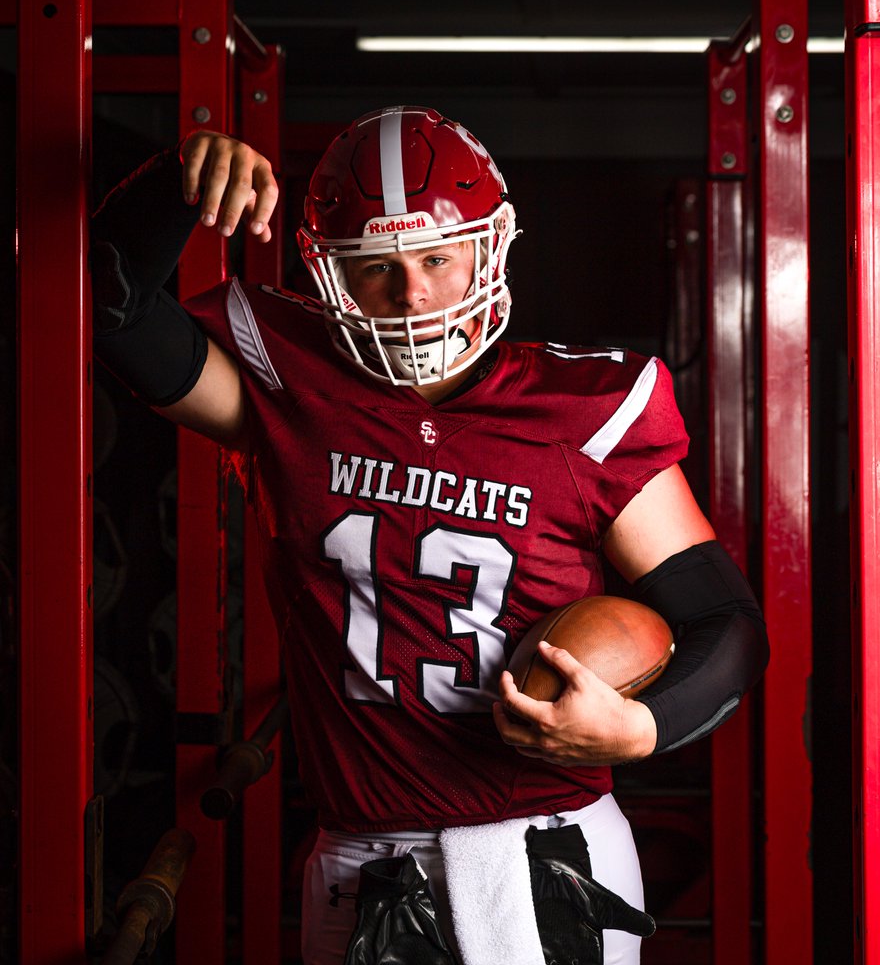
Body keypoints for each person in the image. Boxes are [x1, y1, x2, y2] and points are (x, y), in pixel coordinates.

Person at [91, 106, 769, 965]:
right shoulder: (287, 385)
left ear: (491, 247)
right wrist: (176, 180)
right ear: (329, 273)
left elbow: (728, 624)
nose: (412, 293)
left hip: (550, 849)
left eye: (438, 257)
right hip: (363, 854)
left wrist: (638, 729)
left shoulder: (584, 410)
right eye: (378, 268)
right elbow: (108, 302)